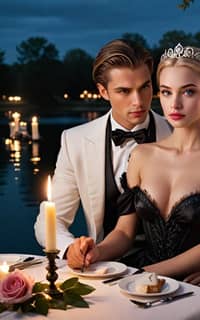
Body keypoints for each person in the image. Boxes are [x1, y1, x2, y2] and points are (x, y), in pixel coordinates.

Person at [70, 43, 200, 319]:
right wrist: (97, 251)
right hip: (141, 278)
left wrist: (144, 275)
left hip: (197, 283)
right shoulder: (141, 155)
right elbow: (124, 232)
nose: (174, 104)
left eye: (188, 91)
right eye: (166, 92)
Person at [34, 39, 172, 258]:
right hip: (105, 265)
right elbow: (51, 219)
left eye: (144, 87)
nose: (138, 101)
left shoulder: (179, 133)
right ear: (103, 91)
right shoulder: (75, 141)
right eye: (124, 91)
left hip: (174, 269)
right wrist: (71, 249)